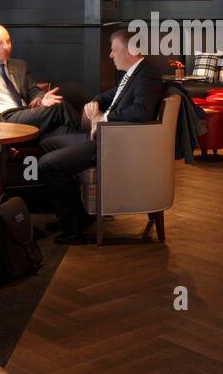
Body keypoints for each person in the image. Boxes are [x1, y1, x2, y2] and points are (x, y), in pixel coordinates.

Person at [36, 28, 164, 243]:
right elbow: (111, 95)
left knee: (48, 164)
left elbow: (142, 112)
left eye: (114, 50)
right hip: (107, 137)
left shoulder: (147, 75)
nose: (111, 55)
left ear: (130, 51)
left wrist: (104, 117)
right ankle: (76, 216)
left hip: (115, 144)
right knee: (48, 144)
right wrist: (96, 101)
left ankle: (75, 229)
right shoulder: (134, 73)